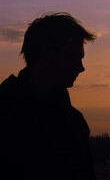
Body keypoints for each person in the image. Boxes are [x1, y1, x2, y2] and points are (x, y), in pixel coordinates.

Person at [0, 12, 96, 179]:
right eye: (73, 57)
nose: (81, 68)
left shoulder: (75, 123)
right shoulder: (5, 115)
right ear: (47, 54)